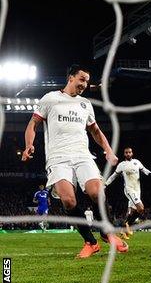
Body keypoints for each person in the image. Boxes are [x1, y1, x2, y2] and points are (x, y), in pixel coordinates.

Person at [22, 64, 127, 258]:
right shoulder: (50, 99)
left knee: (97, 191)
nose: (84, 84)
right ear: (71, 77)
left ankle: (107, 232)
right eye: (82, 79)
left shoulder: (85, 104)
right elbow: (32, 124)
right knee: (69, 201)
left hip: (82, 155)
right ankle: (90, 242)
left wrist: (109, 151)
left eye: (87, 81)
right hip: (58, 157)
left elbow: (95, 131)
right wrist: (29, 144)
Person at [104, 147, 151, 239]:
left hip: (137, 189)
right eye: (126, 152)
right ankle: (127, 226)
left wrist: (150, 173)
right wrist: (106, 184)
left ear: (132, 153)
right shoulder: (122, 165)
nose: (128, 154)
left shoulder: (137, 162)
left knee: (131, 212)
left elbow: (144, 170)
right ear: (124, 154)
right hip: (129, 189)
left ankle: (123, 231)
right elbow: (113, 176)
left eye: (129, 152)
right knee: (141, 208)